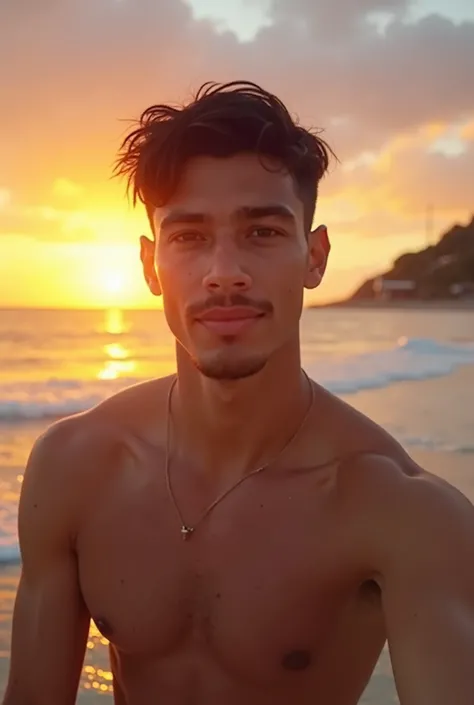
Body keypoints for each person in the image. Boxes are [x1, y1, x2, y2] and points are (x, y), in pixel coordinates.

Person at [4, 81, 474, 705]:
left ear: (315, 255)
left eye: (262, 233)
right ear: (150, 265)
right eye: (189, 236)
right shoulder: (73, 468)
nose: (224, 271)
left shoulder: (405, 514)